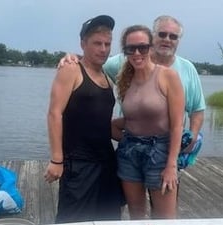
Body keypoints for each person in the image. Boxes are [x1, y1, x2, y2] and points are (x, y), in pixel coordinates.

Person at [60, 15, 206, 155]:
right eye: (162, 34)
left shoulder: (187, 69)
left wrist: (191, 139)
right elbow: (93, 63)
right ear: (152, 36)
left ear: (178, 40)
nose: (167, 39)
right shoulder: (128, 60)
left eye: (173, 36)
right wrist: (73, 58)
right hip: (131, 148)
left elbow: (197, 110)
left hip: (168, 149)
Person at [44, 14, 124, 223]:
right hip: (78, 164)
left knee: (109, 221)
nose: (103, 49)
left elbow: (99, 122)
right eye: (97, 43)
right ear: (83, 44)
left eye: (107, 44)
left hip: (107, 161)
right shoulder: (72, 69)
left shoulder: (108, 77)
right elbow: (54, 113)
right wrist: (56, 159)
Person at [111, 25, 184, 219]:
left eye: (142, 47)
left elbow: (177, 125)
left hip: (159, 153)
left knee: (165, 219)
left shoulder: (167, 76)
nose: (136, 53)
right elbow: (92, 63)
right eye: (130, 49)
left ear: (151, 48)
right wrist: (72, 58)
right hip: (129, 153)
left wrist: (171, 165)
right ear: (125, 51)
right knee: (136, 216)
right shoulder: (125, 79)